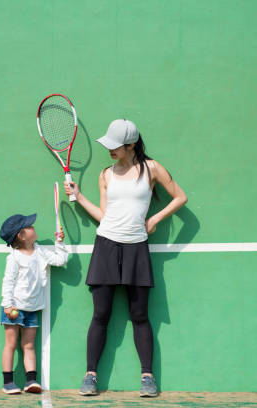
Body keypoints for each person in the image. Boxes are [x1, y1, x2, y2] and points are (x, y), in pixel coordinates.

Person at [64, 119, 187, 397]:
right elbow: (104, 217)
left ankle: (147, 378)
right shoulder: (105, 174)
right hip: (106, 245)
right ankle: (90, 376)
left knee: (140, 315)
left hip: (136, 247)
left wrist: (154, 218)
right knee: (101, 315)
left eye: (115, 145)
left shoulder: (152, 169)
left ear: (131, 144)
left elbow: (180, 197)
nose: (109, 149)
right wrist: (80, 198)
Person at [0, 213, 68, 394]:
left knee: (28, 345)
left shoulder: (41, 252)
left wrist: (59, 243)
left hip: (32, 308)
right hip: (14, 307)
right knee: (11, 344)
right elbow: (8, 282)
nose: (33, 227)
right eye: (29, 227)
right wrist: (8, 304)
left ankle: (31, 381)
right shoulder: (14, 257)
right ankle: (8, 383)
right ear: (21, 236)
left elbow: (60, 260)